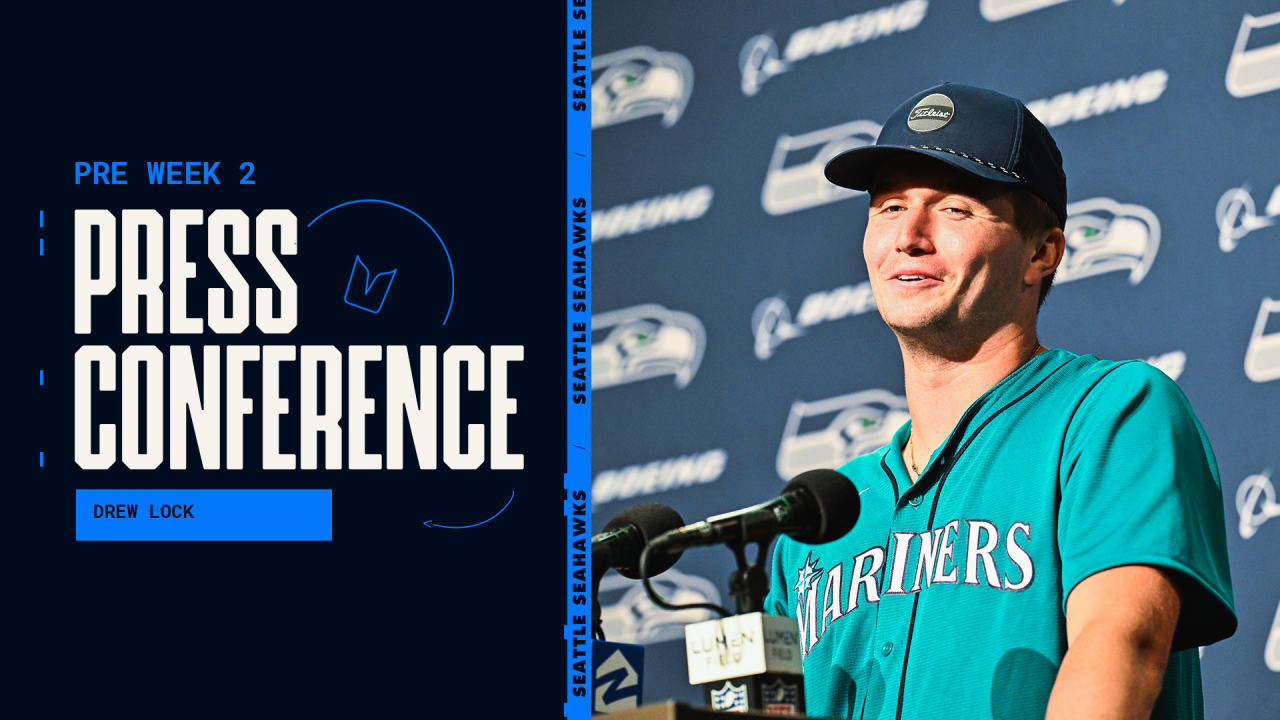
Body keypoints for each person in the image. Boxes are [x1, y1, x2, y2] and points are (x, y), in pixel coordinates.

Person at [764, 83, 1236, 720]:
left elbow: (1120, 651)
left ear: (1041, 253)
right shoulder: (816, 520)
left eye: (955, 209)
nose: (910, 236)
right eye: (889, 206)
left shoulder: (1111, 414)